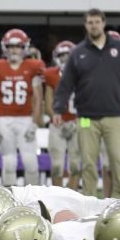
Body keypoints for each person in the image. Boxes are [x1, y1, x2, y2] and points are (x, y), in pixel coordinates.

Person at [53, 8, 120, 198]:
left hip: (115, 116)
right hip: (86, 118)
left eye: (96, 21)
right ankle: (89, 199)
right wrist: (58, 109)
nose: (93, 25)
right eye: (90, 22)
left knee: (118, 161)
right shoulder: (78, 52)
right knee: (87, 162)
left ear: (103, 23)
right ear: (85, 25)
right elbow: (66, 84)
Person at [0, 29, 45, 186]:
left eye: (18, 46)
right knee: (9, 161)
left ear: (24, 47)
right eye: (11, 46)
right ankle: (10, 196)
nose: (14, 50)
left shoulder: (33, 67)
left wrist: (35, 122)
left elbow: (38, 98)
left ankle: (32, 196)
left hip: (26, 118)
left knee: (30, 160)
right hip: (3, 118)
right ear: (5, 47)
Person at [44, 40, 80, 188]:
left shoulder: (83, 73)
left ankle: (73, 197)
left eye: (68, 56)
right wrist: (55, 117)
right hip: (57, 123)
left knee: (75, 165)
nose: (65, 59)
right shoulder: (51, 74)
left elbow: (88, 101)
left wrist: (82, 123)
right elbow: (48, 102)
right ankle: (57, 196)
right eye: (62, 55)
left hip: (79, 121)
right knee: (57, 166)